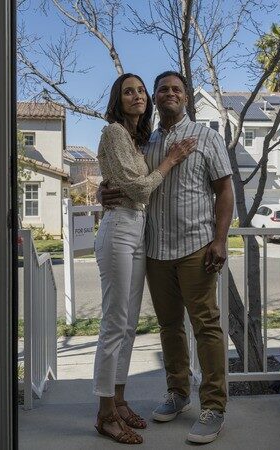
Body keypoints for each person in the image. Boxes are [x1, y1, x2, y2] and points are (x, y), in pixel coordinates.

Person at [99, 70, 234, 444]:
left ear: (185, 97)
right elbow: (131, 178)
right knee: (169, 327)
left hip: (196, 247)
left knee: (206, 326)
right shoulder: (148, 141)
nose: (168, 93)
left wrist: (220, 240)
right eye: (162, 90)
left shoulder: (206, 137)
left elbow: (225, 190)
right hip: (155, 249)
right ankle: (177, 392)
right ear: (155, 100)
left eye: (176, 88)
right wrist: (102, 190)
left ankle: (214, 406)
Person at [92, 72, 197, 445]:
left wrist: (111, 189)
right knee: (114, 323)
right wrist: (169, 161)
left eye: (139, 91)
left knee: (130, 323)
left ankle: (119, 401)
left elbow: (131, 186)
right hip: (119, 229)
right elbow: (138, 187)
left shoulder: (140, 140)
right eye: (128, 92)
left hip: (138, 229)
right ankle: (105, 413)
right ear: (117, 100)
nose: (136, 96)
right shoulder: (114, 132)